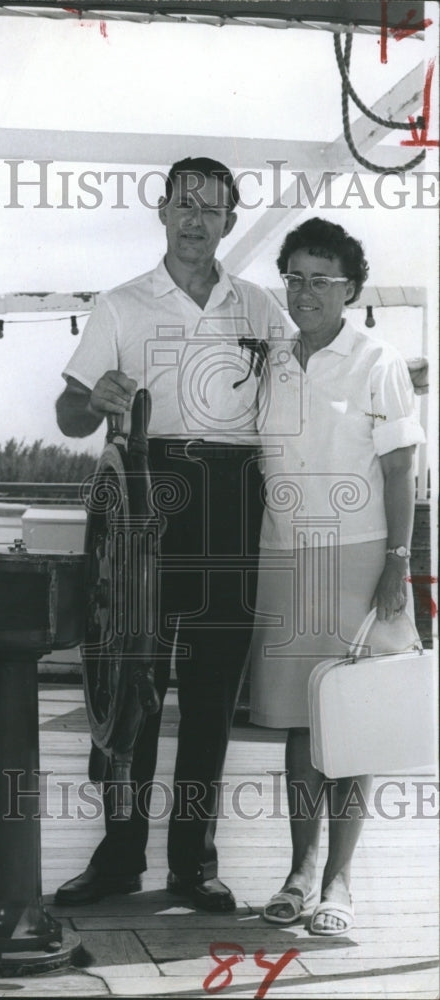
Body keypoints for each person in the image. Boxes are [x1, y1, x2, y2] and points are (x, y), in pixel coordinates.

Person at [54, 156, 292, 912]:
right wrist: (94, 399)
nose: (196, 219)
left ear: (229, 220)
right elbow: (68, 417)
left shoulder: (261, 309)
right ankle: (120, 856)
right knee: (131, 687)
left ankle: (193, 864)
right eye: (183, 204)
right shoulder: (119, 305)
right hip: (146, 495)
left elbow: (306, 397)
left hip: (235, 497)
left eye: (212, 208)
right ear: (160, 211)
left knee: (214, 690)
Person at [249, 217, 424, 935]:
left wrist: (396, 565)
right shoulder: (272, 358)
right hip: (288, 558)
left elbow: (398, 467)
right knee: (300, 725)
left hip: (360, 557)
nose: (304, 291)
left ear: (349, 290)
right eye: (293, 276)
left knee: (357, 724)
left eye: (320, 280)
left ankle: (338, 883)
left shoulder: (374, 357)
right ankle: (297, 870)